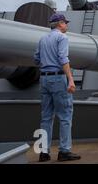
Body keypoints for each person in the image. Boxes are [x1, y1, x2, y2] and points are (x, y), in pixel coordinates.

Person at [34, 13, 81, 162]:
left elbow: (36, 58)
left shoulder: (42, 39)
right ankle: (64, 151)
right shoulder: (62, 38)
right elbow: (63, 58)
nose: (66, 25)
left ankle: (43, 152)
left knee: (46, 116)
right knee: (65, 114)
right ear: (60, 23)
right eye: (65, 23)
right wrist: (71, 79)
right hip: (58, 78)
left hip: (44, 78)